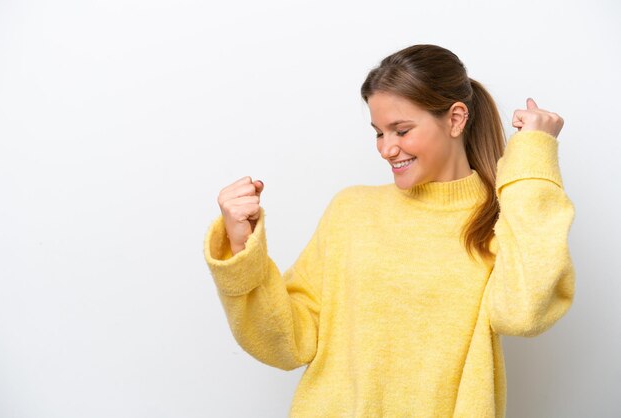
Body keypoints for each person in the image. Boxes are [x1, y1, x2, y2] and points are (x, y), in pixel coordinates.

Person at [203, 44, 576, 417]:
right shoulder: (351, 210)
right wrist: (241, 247)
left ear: (456, 119)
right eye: (379, 133)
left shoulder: (500, 220)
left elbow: (524, 314)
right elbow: (288, 341)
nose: (386, 149)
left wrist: (532, 155)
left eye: (401, 130)